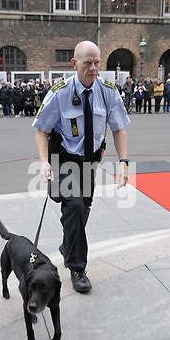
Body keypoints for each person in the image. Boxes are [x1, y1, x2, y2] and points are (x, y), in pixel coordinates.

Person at [32, 40, 130, 294]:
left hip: (90, 162)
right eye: (88, 63)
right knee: (74, 206)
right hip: (65, 159)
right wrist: (44, 163)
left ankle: (69, 244)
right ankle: (77, 267)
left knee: (83, 208)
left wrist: (123, 162)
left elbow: (119, 128)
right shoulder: (60, 92)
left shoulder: (108, 91)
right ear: (74, 63)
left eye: (98, 63)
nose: (94, 68)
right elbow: (41, 130)